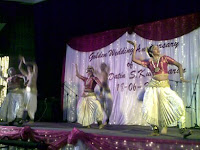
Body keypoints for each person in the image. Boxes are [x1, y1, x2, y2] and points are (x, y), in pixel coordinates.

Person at [127, 40, 192, 138]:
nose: (158, 49)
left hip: (164, 87)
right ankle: (155, 129)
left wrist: (182, 77)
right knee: (150, 108)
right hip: (153, 87)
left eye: (158, 48)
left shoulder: (165, 58)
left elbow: (179, 65)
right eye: (155, 48)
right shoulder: (149, 62)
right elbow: (134, 60)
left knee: (179, 104)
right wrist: (135, 47)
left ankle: (182, 129)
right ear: (151, 52)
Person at [75, 64, 104, 129]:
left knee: (98, 107)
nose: (88, 72)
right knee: (83, 110)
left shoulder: (94, 78)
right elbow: (77, 75)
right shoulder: (86, 79)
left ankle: (100, 123)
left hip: (91, 96)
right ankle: (87, 123)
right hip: (84, 96)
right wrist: (76, 67)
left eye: (89, 71)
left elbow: (101, 85)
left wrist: (101, 93)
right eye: (87, 71)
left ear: (92, 72)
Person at [18, 56, 38, 123]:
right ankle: (23, 118)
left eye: (30, 68)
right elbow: (20, 68)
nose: (29, 69)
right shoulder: (27, 75)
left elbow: (35, 64)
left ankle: (31, 119)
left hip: (33, 90)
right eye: (28, 68)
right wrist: (21, 61)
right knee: (25, 104)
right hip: (27, 90)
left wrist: (26, 62)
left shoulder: (34, 74)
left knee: (32, 104)